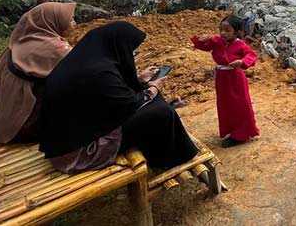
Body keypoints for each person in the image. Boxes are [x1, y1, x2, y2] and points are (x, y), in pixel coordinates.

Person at [39, 21, 198, 173]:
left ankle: (166, 150)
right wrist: (154, 87)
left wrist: (140, 80)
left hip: (67, 142)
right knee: (160, 112)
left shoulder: (84, 61)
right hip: (80, 153)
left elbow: (106, 95)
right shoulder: (100, 72)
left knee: (147, 98)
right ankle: (174, 157)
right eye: (129, 49)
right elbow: (130, 104)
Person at [0, 2, 77, 145]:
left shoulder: (19, 43)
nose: (75, 24)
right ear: (52, 22)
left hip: (4, 122)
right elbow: (81, 69)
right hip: (25, 126)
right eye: (70, 20)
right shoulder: (54, 49)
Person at [192, 15, 260, 148]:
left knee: (240, 105)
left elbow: (251, 55)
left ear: (237, 32)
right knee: (225, 105)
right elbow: (204, 46)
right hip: (222, 79)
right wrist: (201, 40)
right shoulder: (217, 41)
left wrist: (241, 62)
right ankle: (231, 130)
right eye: (221, 29)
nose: (223, 33)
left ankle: (241, 134)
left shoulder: (241, 45)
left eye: (227, 30)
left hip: (235, 78)